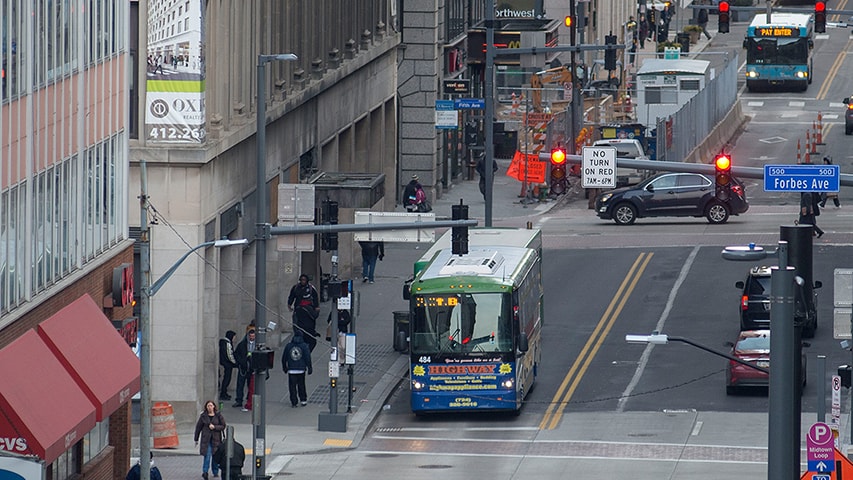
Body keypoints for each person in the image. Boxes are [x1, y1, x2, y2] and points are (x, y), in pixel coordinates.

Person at [194, 400, 226, 480]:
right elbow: (198, 428)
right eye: (208, 406)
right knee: (207, 456)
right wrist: (196, 439)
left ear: (214, 406)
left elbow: (223, 426)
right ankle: (205, 472)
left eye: (211, 406)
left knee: (215, 456)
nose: (210, 407)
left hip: (216, 440)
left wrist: (215, 427)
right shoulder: (203, 416)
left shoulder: (218, 415)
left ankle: (215, 471)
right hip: (206, 440)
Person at [287, 274, 321, 351]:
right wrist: (289, 304)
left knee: (310, 327)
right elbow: (291, 296)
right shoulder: (295, 288)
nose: (303, 281)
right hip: (298, 310)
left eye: (304, 280)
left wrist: (316, 307)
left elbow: (315, 298)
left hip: (309, 310)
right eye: (301, 280)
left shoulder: (311, 288)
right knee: (297, 325)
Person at [281, 331, 313, 407]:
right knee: (301, 385)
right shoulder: (304, 346)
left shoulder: (288, 346)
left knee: (292, 386)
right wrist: (309, 367)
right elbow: (307, 357)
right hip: (301, 369)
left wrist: (284, 367)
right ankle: (303, 399)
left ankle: (294, 401)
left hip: (291, 369)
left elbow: (284, 358)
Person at [232, 329, 256, 410]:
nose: (252, 338)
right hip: (243, 367)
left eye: (253, 337)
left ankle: (249, 399)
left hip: (252, 368)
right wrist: (241, 362)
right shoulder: (242, 344)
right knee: (240, 384)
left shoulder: (257, 345)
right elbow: (236, 354)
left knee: (251, 385)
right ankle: (239, 400)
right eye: (251, 336)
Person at [218, 330, 238, 401]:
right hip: (228, 364)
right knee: (227, 378)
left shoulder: (223, 342)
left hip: (225, 363)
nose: (234, 339)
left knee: (226, 378)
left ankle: (224, 392)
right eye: (234, 337)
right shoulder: (228, 344)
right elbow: (230, 355)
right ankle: (223, 393)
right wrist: (235, 363)